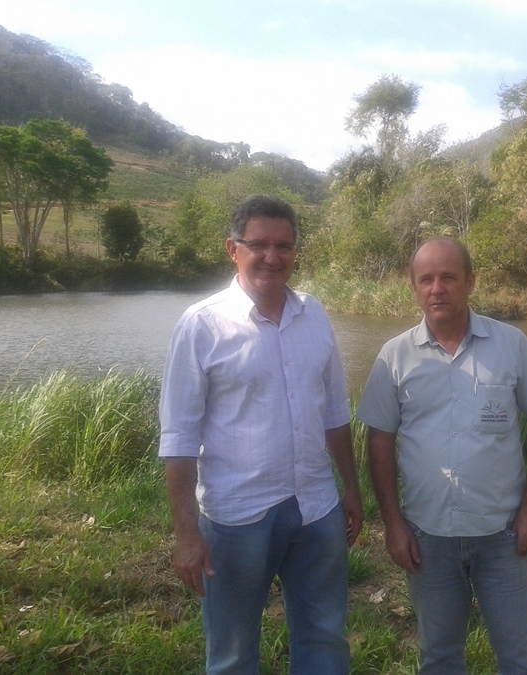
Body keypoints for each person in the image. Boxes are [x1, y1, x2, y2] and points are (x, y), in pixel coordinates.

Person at [159, 194, 364, 675]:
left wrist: (350, 488)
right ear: (233, 249)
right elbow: (179, 436)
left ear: (296, 251)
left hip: (317, 506)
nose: (272, 256)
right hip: (237, 516)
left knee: (325, 636)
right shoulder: (202, 325)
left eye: (284, 245)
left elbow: (334, 408)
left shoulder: (313, 314)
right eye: (259, 244)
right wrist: (187, 533)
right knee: (232, 652)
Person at [356, 236, 527, 675]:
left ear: (470, 281)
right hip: (427, 538)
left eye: (448, 277)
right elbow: (379, 441)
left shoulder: (510, 345)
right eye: (426, 279)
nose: (438, 288)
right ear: (413, 288)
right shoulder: (393, 357)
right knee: (439, 659)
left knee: (523, 661)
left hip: (504, 535)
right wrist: (393, 525)